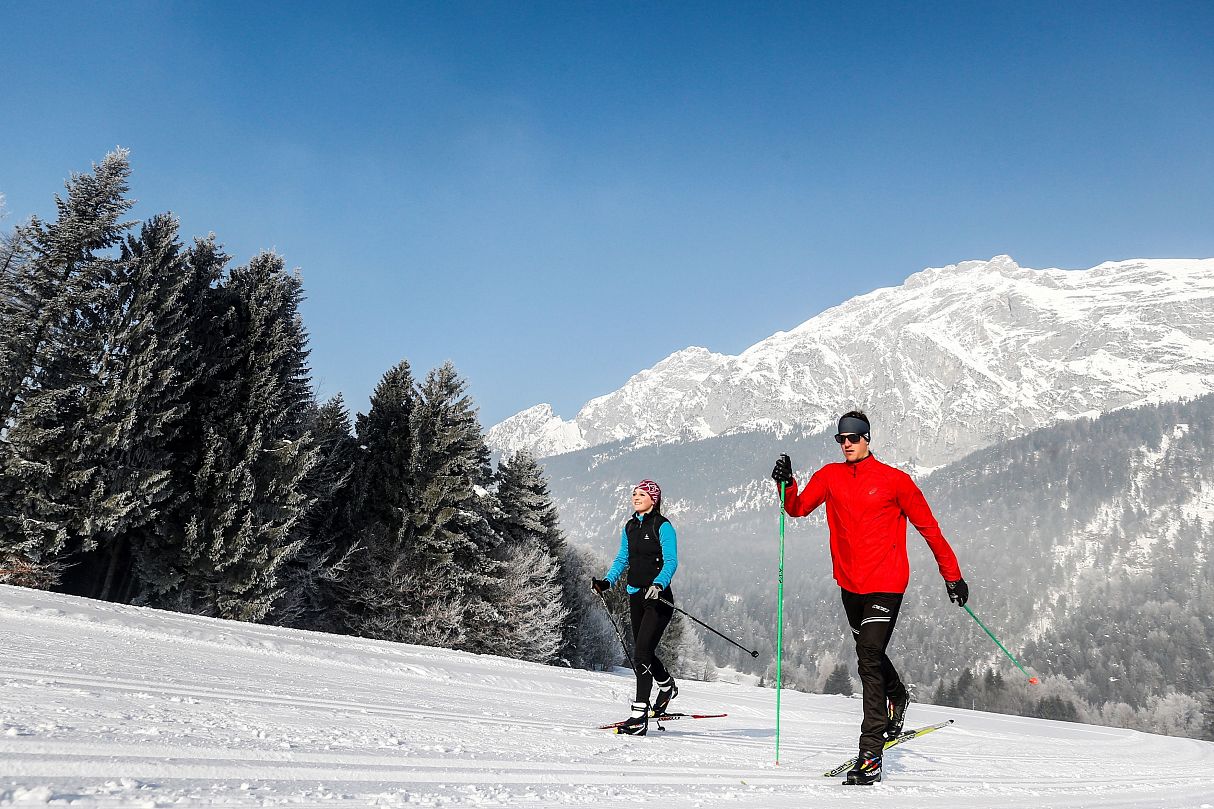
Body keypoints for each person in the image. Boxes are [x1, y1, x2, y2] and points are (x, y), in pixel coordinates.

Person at [771, 411, 969, 785]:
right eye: (840, 438)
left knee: (868, 658)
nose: (846, 443)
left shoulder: (896, 481)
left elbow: (930, 530)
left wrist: (952, 576)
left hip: (887, 583)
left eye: (853, 436)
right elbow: (796, 509)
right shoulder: (829, 476)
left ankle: (870, 754)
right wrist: (786, 484)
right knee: (870, 651)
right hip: (850, 584)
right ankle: (897, 695)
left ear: (867, 438)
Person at [591, 479, 679, 736]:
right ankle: (666, 685)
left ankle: (639, 716)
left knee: (641, 653)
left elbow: (671, 561)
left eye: (641, 494)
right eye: (634, 494)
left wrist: (659, 584)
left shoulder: (663, 526)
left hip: (658, 600)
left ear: (654, 498)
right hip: (635, 597)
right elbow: (622, 558)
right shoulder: (630, 527)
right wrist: (607, 582)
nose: (635, 497)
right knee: (645, 652)